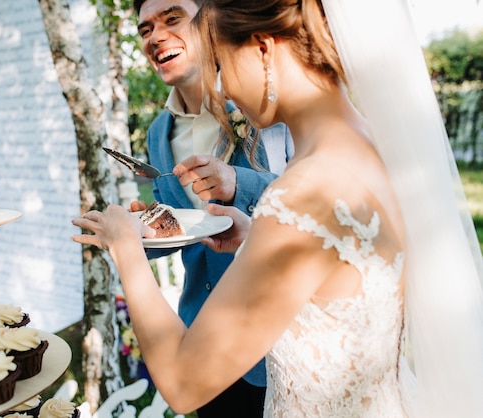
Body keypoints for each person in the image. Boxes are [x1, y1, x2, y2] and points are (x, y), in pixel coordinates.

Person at [74, 0, 483, 416]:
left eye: (223, 62)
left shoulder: (302, 193)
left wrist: (125, 247)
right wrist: (254, 235)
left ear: (264, 50)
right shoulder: (371, 143)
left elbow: (182, 383)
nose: (225, 89)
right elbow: (345, 258)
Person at [131, 0, 293, 416]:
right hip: (203, 338)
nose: (156, 37)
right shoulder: (157, 133)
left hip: (277, 340)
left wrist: (240, 181)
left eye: (172, 18)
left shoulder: (267, 106)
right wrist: (140, 233)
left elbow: (317, 202)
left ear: (210, 22)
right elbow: (186, 231)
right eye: (145, 29)